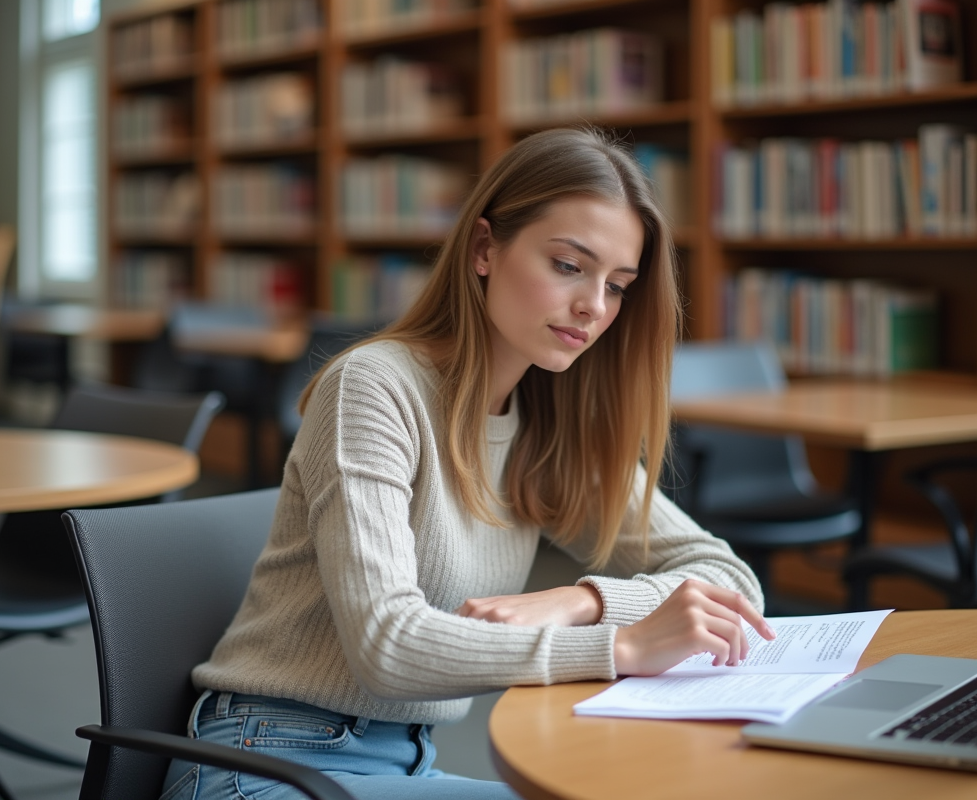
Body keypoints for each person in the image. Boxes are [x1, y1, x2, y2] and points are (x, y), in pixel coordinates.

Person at [160, 127, 775, 800]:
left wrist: (582, 601)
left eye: (618, 285)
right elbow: (386, 645)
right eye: (568, 266)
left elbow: (728, 581)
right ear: (485, 249)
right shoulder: (373, 386)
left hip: (403, 761)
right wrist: (619, 646)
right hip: (264, 759)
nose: (594, 307)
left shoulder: (548, 425)